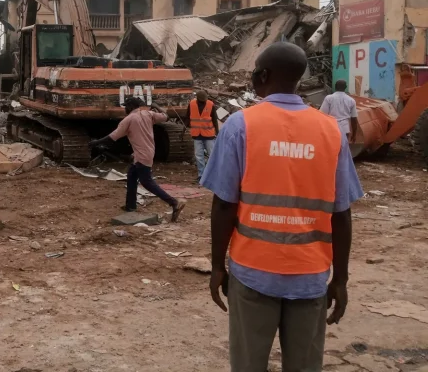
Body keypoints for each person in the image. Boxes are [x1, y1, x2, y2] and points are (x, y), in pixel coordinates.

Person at [200, 42, 363, 372]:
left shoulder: (240, 125)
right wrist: (341, 279)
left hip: (252, 272)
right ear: (298, 80)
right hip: (310, 277)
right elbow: (341, 213)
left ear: (262, 76)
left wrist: (218, 266)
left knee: (248, 364)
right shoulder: (330, 130)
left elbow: (223, 206)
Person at [89, 97, 186, 221]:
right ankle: (131, 206)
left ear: (131, 107)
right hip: (147, 152)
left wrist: (95, 142)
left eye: (126, 106)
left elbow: (112, 137)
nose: (124, 109)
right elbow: (166, 116)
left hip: (141, 155)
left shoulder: (128, 120)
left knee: (146, 182)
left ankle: (173, 203)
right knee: (132, 176)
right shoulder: (149, 114)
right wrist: (156, 106)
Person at [185, 90, 219, 180]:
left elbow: (215, 119)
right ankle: (201, 175)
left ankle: (213, 174)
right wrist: (184, 127)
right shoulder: (192, 104)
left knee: (211, 155)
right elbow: (188, 116)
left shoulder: (210, 104)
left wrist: (217, 131)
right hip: (197, 134)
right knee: (198, 155)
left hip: (209, 134)